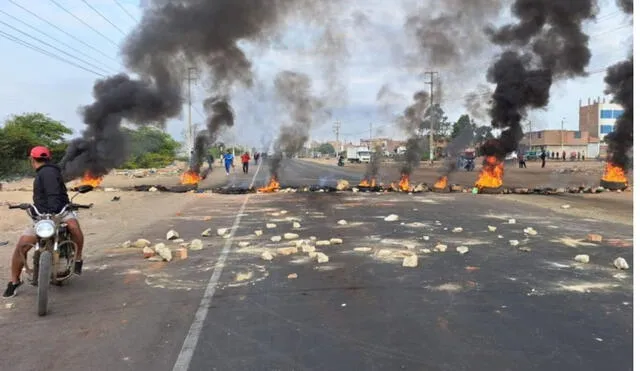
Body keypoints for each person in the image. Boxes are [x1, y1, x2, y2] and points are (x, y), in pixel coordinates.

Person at [4, 146, 85, 298]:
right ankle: (14, 281)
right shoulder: (50, 172)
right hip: (42, 216)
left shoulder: (49, 172)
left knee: (73, 227)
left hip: (61, 212)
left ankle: (78, 258)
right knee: (23, 244)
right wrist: (32, 208)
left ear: (31, 159)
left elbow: (55, 195)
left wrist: (59, 208)